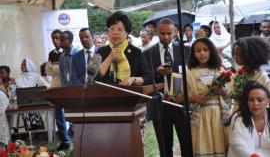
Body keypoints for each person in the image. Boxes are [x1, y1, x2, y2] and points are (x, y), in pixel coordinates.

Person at [143, 18, 191, 157]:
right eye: (162, 33)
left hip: (181, 103)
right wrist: (157, 72)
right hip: (160, 105)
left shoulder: (185, 50)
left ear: (175, 32)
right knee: (165, 147)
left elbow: (191, 75)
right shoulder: (148, 54)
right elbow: (144, 79)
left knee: (187, 143)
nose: (166, 36)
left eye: (169, 33)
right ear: (157, 32)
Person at [179, 37, 228, 157]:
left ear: (211, 51)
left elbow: (228, 96)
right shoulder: (189, 73)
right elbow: (179, 97)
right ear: (194, 54)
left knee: (219, 145)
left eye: (205, 50)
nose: (202, 53)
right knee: (203, 146)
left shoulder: (219, 71)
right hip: (199, 116)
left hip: (217, 115)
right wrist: (196, 98)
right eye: (198, 50)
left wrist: (221, 90)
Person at [96, 11, 151, 86]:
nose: (115, 32)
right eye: (112, 29)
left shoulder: (136, 52)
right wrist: (110, 57)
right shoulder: (101, 51)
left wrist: (133, 79)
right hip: (105, 94)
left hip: (131, 95)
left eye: (119, 29)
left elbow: (148, 78)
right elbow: (94, 76)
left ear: (127, 33)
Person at [227, 81, 270, 157]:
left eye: (259, 100)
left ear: (268, 101)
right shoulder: (239, 117)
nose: (255, 103)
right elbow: (237, 143)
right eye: (251, 100)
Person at [58, 30, 78, 151]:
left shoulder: (77, 54)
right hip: (66, 92)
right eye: (60, 39)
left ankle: (79, 144)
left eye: (63, 39)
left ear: (70, 40)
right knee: (63, 115)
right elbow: (63, 76)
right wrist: (64, 92)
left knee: (77, 118)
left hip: (77, 91)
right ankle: (65, 142)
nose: (60, 42)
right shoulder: (62, 56)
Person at [16, 58, 49, 131]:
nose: (22, 66)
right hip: (23, 103)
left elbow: (47, 86)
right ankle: (30, 133)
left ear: (29, 65)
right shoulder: (19, 77)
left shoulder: (36, 76)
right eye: (21, 64)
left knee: (32, 111)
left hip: (37, 102)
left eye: (24, 64)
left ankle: (37, 132)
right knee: (26, 112)